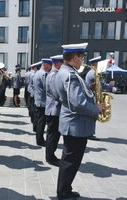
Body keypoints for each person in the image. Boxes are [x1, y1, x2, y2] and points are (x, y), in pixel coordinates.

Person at [54, 43, 104, 199]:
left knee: (70, 160)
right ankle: (63, 192)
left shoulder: (66, 72)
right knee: (70, 161)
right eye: (81, 57)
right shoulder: (70, 75)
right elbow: (78, 103)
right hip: (75, 125)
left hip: (73, 124)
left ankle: (65, 189)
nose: (83, 60)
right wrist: (96, 108)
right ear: (75, 57)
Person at [45, 55, 63, 167]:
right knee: (53, 135)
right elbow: (57, 94)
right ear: (57, 63)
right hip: (54, 110)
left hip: (53, 109)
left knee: (52, 134)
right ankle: (50, 157)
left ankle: (50, 156)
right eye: (62, 63)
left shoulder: (52, 74)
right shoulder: (54, 75)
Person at [33, 58, 52, 146]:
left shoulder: (37, 73)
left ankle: (39, 139)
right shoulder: (43, 74)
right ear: (45, 65)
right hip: (43, 102)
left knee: (39, 121)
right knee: (42, 122)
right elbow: (47, 88)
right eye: (49, 66)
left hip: (38, 100)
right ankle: (40, 140)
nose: (50, 68)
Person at [85, 56, 102, 141]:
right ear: (94, 64)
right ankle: (89, 133)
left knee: (93, 116)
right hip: (91, 97)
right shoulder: (93, 73)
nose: (99, 65)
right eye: (97, 63)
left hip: (92, 96)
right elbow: (95, 85)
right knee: (92, 116)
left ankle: (90, 133)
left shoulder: (93, 72)